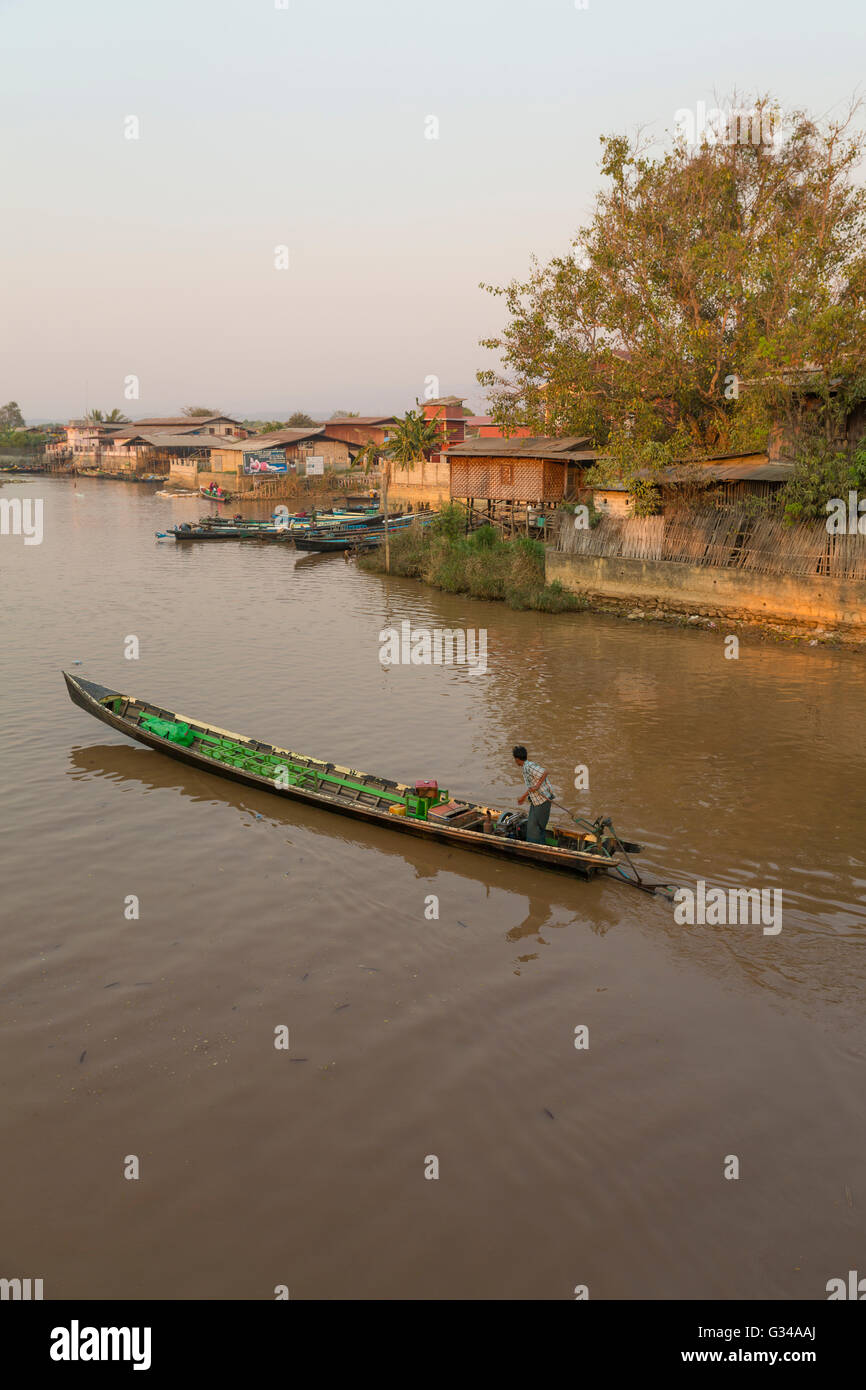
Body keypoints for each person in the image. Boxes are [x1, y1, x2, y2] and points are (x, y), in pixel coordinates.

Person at [512, 744, 556, 844]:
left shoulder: (529, 766)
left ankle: (535, 846)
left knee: (534, 829)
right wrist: (523, 797)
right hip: (536, 801)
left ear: (517, 759)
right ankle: (540, 844)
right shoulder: (525, 767)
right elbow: (531, 787)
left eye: (515, 759)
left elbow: (545, 772)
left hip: (542, 801)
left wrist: (538, 785)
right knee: (534, 826)